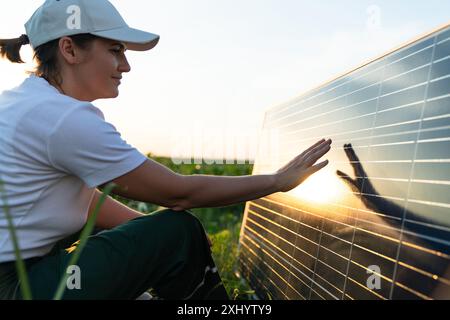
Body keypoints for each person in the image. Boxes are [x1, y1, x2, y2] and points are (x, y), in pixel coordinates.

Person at [0, 0, 332, 300]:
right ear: (69, 49)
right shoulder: (64, 118)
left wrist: (149, 243)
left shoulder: (25, 103)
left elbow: (85, 205)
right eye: (116, 50)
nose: (125, 65)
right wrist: (276, 181)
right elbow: (179, 195)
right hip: (17, 285)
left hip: (27, 274)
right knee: (179, 231)